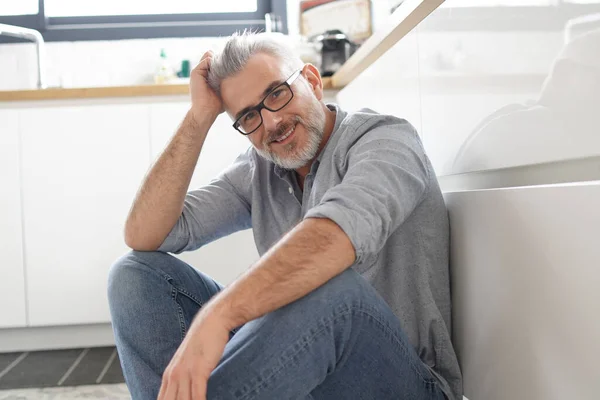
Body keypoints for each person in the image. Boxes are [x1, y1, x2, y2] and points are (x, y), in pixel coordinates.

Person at [108, 31, 462, 400]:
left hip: (400, 382)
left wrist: (218, 317)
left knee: (331, 289)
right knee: (135, 275)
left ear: (311, 81)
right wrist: (199, 118)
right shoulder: (259, 170)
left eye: (277, 93)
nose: (272, 122)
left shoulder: (386, 141)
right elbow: (144, 234)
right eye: (248, 116)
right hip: (306, 380)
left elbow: (333, 238)